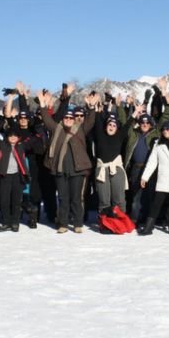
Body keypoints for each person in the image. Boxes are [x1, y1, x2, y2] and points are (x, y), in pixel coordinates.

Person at [37, 86, 97, 233]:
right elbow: (46, 119)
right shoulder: (57, 129)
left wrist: (91, 107)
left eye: (71, 118)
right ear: (63, 119)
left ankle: (77, 223)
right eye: (66, 117)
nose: (69, 120)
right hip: (60, 169)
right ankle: (63, 223)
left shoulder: (81, 129)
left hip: (77, 170)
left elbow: (90, 121)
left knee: (76, 198)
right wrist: (43, 105)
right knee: (63, 198)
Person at [139, 121, 169, 235]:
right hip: (163, 178)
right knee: (156, 203)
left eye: (168, 129)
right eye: (164, 129)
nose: (166, 131)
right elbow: (152, 162)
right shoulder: (158, 144)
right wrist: (144, 177)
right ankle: (148, 227)